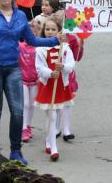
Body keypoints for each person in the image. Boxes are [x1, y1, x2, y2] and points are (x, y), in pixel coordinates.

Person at [0, 0, 61, 165]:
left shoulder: (20, 16)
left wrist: (55, 41)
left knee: (18, 111)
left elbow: (32, 41)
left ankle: (16, 151)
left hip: (13, 67)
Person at [34, 17, 75, 161]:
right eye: (47, 29)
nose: (50, 32)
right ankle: (54, 148)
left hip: (60, 86)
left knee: (56, 114)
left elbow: (71, 65)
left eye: (53, 29)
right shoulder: (40, 48)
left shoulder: (65, 48)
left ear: (59, 31)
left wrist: (63, 67)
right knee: (51, 116)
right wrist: (50, 73)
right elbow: (39, 68)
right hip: (48, 86)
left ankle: (48, 140)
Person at [19, 31, 38, 143]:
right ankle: (23, 128)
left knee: (31, 104)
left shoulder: (38, 48)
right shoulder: (20, 46)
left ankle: (28, 125)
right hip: (22, 81)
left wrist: (40, 76)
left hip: (35, 81)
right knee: (25, 104)